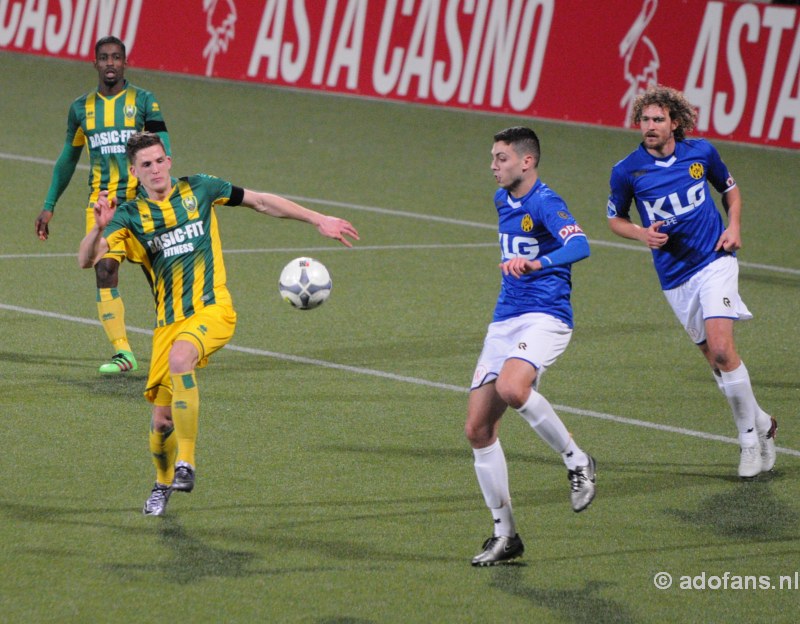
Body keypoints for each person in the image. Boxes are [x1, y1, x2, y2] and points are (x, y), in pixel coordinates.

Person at [78, 132, 359, 516]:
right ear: (135, 171)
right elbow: (86, 260)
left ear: (169, 160)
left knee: (181, 361)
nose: (155, 169)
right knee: (161, 423)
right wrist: (98, 228)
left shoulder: (200, 188)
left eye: (160, 160)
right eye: (146, 165)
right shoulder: (128, 215)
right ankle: (162, 484)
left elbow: (260, 202)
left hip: (213, 310)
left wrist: (317, 218)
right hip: (167, 325)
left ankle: (187, 463)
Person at [606, 84, 777, 479]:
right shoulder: (627, 170)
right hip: (675, 277)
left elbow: (730, 191)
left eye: (657, 119)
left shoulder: (701, 153)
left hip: (715, 260)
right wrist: (642, 234)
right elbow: (615, 218)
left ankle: (749, 440)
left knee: (721, 350)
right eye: (644, 119)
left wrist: (733, 227)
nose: (648, 126)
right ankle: (765, 421)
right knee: (717, 365)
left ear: (675, 123)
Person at [466, 126, 596, 567]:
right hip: (505, 319)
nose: (493, 165)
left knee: (513, 387)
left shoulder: (546, 201)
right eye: (492, 157)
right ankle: (507, 536)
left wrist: (538, 261)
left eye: (501, 158)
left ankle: (577, 460)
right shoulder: (502, 200)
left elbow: (580, 245)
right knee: (478, 431)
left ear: (527, 161)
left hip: (547, 316)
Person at [36, 36, 171, 375]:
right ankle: (123, 352)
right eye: (104, 58)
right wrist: (49, 204)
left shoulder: (143, 101)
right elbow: (69, 157)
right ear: (94, 63)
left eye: (116, 57)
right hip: (103, 207)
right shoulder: (81, 108)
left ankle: (175, 343)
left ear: (125, 63)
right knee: (104, 269)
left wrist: (163, 192)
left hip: (141, 205)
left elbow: (163, 148)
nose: (110, 63)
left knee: (161, 276)